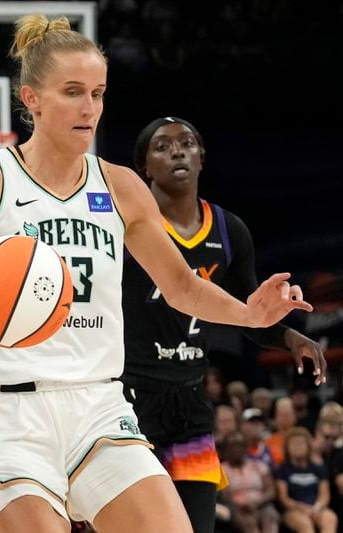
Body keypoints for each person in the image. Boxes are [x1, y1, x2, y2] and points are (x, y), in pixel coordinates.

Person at [0, 13, 314, 533]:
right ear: (31, 98)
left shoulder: (120, 186)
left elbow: (183, 286)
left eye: (97, 93)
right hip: (6, 413)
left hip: (98, 404)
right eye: (73, 92)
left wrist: (251, 314)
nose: (90, 108)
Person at [120, 115, 328, 532]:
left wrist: (288, 335)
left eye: (187, 143)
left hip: (189, 403)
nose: (177, 150)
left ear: (201, 157)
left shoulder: (230, 231)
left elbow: (247, 315)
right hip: (126, 401)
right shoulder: (126, 227)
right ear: (144, 167)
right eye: (162, 146)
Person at [276, 427, 337, 533]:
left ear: (308, 446)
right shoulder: (282, 470)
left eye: (301, 443)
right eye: (294, 444)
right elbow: (284, 498)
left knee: (330, 518)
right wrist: (303, 508)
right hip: (294, 510)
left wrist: (316, 508)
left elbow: (325, 495)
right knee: (305, 524)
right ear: (287, 448)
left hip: (316, 508)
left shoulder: (318, 468)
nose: (298, 447)